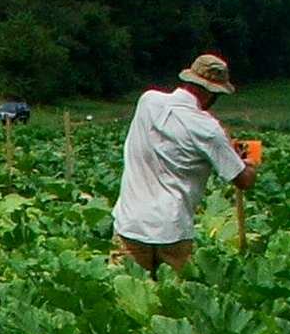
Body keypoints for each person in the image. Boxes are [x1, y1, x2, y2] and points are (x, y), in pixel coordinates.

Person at [110, 53, 257, 275]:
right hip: (172, 230)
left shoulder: (148, 101)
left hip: (131, 223)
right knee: (172, 303)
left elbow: (180, 117)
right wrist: (250, 162)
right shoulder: (209, 130)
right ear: (213, 92)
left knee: (124, 297)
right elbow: (243, 180)